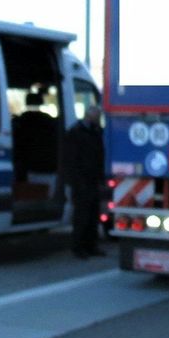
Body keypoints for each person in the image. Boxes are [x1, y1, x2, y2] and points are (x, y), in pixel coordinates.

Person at [63, 105, 106, 258]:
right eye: (98, 116)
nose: (99, 118)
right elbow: (69, 160)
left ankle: (91, 246)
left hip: (93, 180)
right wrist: (76, 181)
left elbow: (100, 155)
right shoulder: (75, 133)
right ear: (90, 116)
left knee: (93, 215)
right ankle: (78, 247)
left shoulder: (96, 131)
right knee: (81, 216)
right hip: (81, 181)